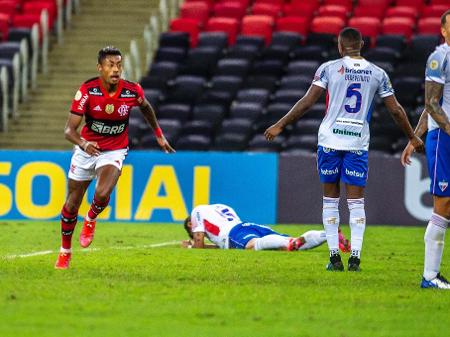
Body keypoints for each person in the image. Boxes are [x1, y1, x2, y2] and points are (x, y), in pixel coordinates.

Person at [264, 27, 424, 271]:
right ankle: (356, 258)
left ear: (340, 46)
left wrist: (280, 124)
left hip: (329, 142)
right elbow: (396, 110)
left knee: (330, 200)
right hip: (357, 144)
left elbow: (307, 102)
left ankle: (334, 257)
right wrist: (412, 137)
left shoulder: (328, 68)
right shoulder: (377, 73)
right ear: (363, 44)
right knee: (356, 203)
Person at [55, 46, 175, 269]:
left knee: (102, 192)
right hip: (85, 150)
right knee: (72, 204)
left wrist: (159, 135)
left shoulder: (131, 91)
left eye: (119, 65)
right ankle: (65, 251)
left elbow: (147, 108)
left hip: (114, 150)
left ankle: (90, 218)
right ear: (100, 67)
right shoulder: (88, 90)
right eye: (110, 65)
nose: (116, 69)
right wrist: (83, 143)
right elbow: (68, 131)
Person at [401, 10, 450, 289]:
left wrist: (412, 139)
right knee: (443, 203)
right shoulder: (438, 57)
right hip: (443, 138)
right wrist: (415, 137)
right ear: (443, 30)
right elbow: (431, 105)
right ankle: (429, 276)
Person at [182, 203, 350, 252]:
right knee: (290, 245)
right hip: (248, 226)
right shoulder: (218, 207)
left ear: (190, 224)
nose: (196, 232)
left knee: (253, 245)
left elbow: (198, 245)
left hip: (233, 233)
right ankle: (330, 234)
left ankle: (292, 243)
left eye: (192, 230)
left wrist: (190, 247)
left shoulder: (196, 212)